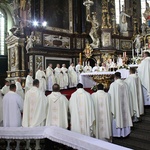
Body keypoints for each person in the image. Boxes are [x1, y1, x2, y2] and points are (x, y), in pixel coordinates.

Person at [108, 72, 133, 137]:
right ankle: (126, 133)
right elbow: (129, 96)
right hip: (125, 106)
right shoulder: (125, 84)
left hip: (117, 107)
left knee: (117, 116)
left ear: (115, 77)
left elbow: (110, 96)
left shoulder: (113, 85)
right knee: (125, 115)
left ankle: (118, 134)